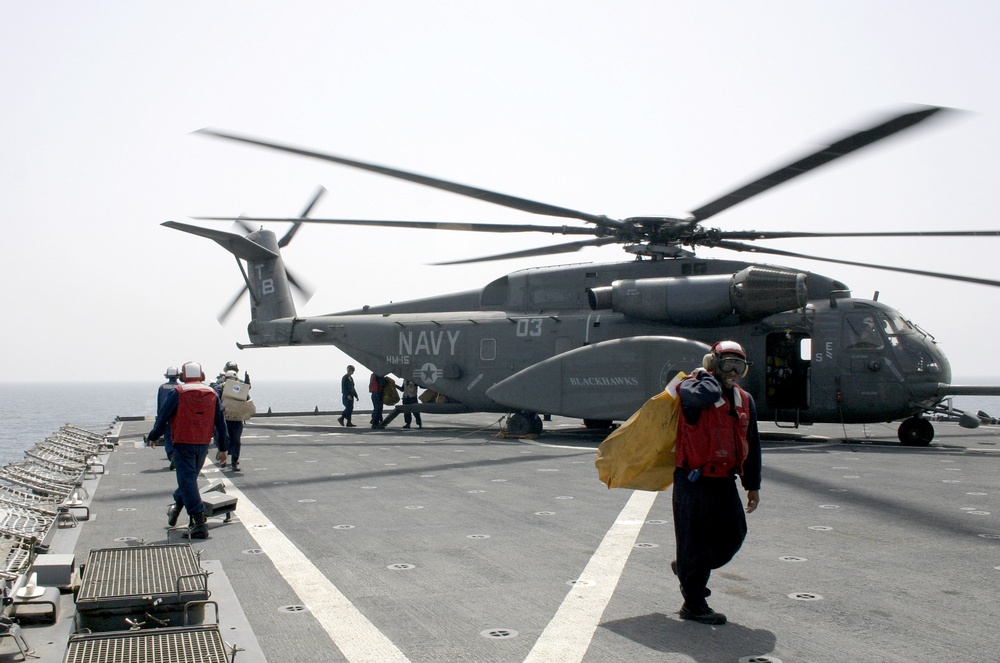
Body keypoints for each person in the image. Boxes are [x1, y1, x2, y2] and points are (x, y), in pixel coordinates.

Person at [672, 340, 761, 625]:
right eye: (727, 364)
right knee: (695, 541)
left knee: (734, 535)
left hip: (724, 479)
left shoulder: (744, 400)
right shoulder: (691, 388)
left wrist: (752, 485)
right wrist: (707, 374)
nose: (733, 371)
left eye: (739, 365)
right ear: (713, 363)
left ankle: (688, 568)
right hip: (693, 480)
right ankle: (694, 604)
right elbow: (705, 396)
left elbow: (752, 444)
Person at [146, 361, 229, 539]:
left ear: (184, 376)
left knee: (187, 481)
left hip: (183, 443)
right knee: (189, 481)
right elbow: (220, 423)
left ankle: (199, 522)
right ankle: (176, 506)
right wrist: (223, 448)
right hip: (203, 443)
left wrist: (153, 436)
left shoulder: (178, 392)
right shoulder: (212, 392)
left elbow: (164, 415)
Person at [218, 369, 254, 472]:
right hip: (237, 418)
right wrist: (247, 382)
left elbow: (217, 400)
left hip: (225, 418)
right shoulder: (239, 387)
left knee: (224, 439)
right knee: (236, 440)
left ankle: (224, 459)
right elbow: (246, 394)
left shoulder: (221, 387)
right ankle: (234, 461)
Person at [155, 366, 181, 470]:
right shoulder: (181, 387)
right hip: (178, 417)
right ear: (177, 376)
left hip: (166, 417)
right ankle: (177, 455)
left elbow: (159, 404)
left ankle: (171, 454)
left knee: (168, 437)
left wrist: (159, 420)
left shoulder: (162, 388)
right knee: (178, 437)